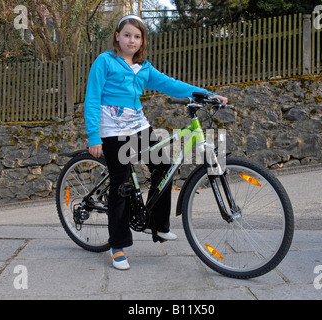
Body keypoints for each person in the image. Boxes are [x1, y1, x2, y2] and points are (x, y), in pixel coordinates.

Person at [84, 14, 228, 270]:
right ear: (117, 36)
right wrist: (94, 136)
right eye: (127, 34)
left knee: (164, 166)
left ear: (142, 41)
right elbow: (92, 99)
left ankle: (158, 226)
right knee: (123, 183)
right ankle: (117, 246)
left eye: (137, 36)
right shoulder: (105, 62)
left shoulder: (144, 68)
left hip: (139, 126)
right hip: (112, 131)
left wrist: (204, 93)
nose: (132, 40)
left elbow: (171, 85)